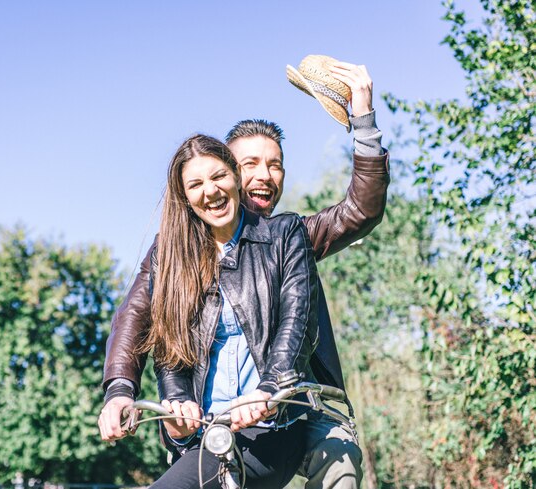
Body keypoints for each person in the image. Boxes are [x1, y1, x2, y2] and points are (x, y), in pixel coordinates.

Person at [98, 61, 390, 488]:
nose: (263, 176)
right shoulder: (175, 254)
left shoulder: (291, 234)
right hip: (209, 425)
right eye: (249, 163)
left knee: (340, 464)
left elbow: (360, 211)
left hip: (290, 411)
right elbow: (139, 322)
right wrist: (123, 390)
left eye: (275, 166)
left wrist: (363, 119)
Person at [137, 134, 319, 488]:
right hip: (207, 435)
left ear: (235, 177)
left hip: (272, 426)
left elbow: (298, 324)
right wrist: (176, 404)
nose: (210, 191)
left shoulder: (284, 233)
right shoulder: (171, 260)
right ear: (185, 198)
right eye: (196, 184)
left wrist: (268, 391)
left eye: (218, 176)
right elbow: (171, 355)